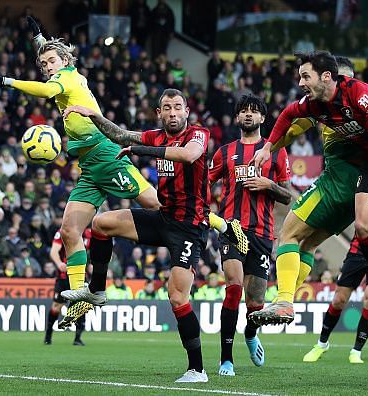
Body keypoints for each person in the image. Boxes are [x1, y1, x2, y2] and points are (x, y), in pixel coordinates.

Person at [0, 19, 236, 324]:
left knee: (158, 205)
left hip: (106, 154)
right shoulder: (62, 70)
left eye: (51, 61)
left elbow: (46, 90)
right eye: (44, 63)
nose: (47, 66)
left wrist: (7, 81)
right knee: (69, 231)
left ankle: (220, 224)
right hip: (88, 165)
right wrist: (39, 38)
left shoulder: (67, 80)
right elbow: (51, 55)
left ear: (64, 61)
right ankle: (81, 296)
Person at [63, 89, 247, 383]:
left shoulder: (197, 134)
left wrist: (141, 150)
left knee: (176, 297)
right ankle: (96, 291)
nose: (173, 113)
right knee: (101, 224)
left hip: (189, 226)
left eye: (177, 108)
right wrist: (95, 117)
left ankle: (197, 369)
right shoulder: (155, 136)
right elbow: (122, 135)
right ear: (158, 114)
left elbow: (189, 156)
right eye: (166, 108)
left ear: (187, 111)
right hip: (164, 218)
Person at [251, 51, 368, 326]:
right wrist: (267, 147)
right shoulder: (316, 105)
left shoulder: (358, 93)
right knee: (362, 227)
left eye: (304, 76)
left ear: (328, 76)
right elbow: (289, 115)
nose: (300, 83)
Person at [209, 94, 293, 376]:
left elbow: (287, 196)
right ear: (236, 118)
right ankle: (226, 360)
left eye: (254, 111)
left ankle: (250, 333)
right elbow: (204, 184)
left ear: (263, 119)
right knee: (233, 288)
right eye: (243, 111)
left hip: (262, 233)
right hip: (232, 229)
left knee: (255, 304)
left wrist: (268, 183)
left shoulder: (277, 152)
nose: (248, 115)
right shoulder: (224, 152)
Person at [303, 191, 368, 364]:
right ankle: (322, 344)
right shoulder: (365, 184)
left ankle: (356, 351)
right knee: (339, 299)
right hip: (358, 250)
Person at [44, 228, 91, 346]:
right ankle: (48, 335)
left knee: (81, 306)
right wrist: (59, 263)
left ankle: (77, 338)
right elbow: (54, 251)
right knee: (56, 306)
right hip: (64, 276)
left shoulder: (90, 234)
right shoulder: (64, 231)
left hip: (80, 275)